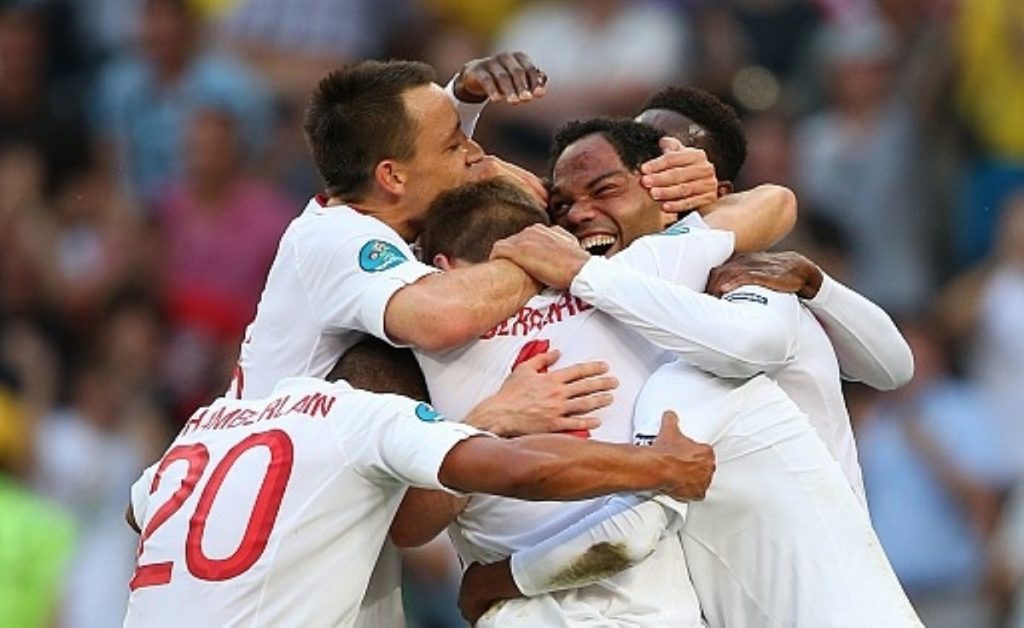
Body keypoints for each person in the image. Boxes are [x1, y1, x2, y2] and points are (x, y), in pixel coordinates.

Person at [227, 54, 728, 627]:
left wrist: (462, 98)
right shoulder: (337, 240)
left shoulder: (393, 222)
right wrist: (555, 255)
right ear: (391, 176)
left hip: (339, 527)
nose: (476, 157)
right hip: (284, 547)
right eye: (454, 145)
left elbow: (769, 206)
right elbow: (442, 317)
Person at [450, 120, 918, 626]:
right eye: (561, 207)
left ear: (680, 196)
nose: (580, 216)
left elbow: (629, 531)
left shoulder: (731, 304)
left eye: (606, 188)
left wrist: (495, 582)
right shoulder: (645, 336)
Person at [121, 346, 716, 628]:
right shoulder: (364, 416)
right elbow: (522, 470)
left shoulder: (213, 419)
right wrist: (659, 467)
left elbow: (136, 509)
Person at [632, 86, 914, 500]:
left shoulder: (760, 280)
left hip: (815, 532)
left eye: (663, 155)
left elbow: (893, 369)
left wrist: (819, 285)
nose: (646, 167)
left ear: (717, 186)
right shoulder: (616, 268)